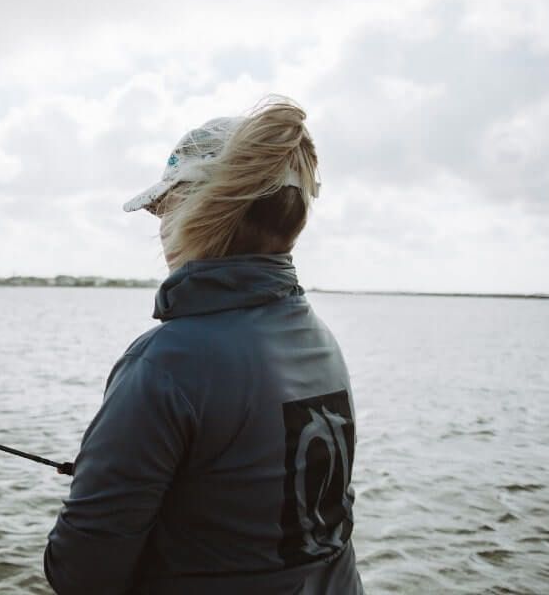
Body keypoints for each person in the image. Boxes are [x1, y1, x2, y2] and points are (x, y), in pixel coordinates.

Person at [44, 97, 363, 594]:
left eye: (162, 208)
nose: (161, 227)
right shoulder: (319, 340)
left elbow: (80, 573)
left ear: (199, 210)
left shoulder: (166, 365)